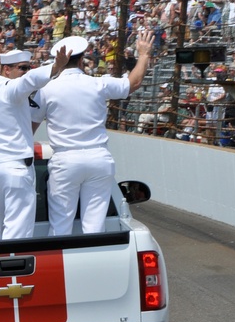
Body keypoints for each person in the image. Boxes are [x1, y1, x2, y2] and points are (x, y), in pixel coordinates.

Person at [36, 30, 154, 236]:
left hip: (66, 159)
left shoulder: (46, 89)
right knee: (94, 228)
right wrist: (143, 54)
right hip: (98, 157)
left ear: (59, 60)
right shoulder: (98, 83)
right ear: (82, 60)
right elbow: (133, 83)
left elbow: (30, 127)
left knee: (60, 227)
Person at [0, 46, 69, 241]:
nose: (26, 72)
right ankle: (12, 270)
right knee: (17, 231)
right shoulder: (11, 88)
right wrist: (55, 67)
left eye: (28, 67)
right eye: (22, 67)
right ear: (6, 70)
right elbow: (30, 81)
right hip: (15, 167)